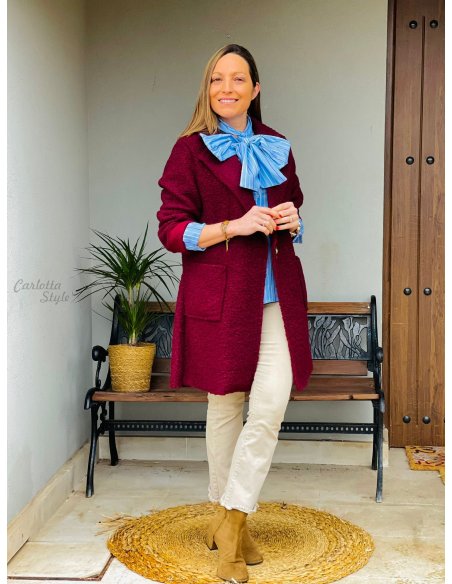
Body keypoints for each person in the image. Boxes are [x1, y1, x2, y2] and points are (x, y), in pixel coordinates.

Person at [156, 44, 313, 583]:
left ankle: (231, 517)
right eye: (217, 79)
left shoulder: (278, 145)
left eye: (238, 78)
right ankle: (231, 531)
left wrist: (294, 220)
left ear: (255, 88)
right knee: (225, 404)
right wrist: (234, 226)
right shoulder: (189, 150)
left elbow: (292, 209)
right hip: (221, 295)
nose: (227, 87)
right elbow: (171, 229)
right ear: (208, 88)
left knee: (268, 406)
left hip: (277, 294)